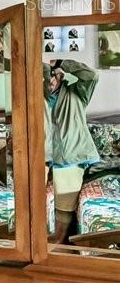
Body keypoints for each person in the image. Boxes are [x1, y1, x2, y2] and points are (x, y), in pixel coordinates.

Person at [44, 58, 99, 242]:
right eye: (44, 77)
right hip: (44, 155)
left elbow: (92, 75)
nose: (49, 81)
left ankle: (60, 237)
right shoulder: (37, 98)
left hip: (71, 154)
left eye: (52, 76)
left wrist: (62, 63)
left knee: (64, 196)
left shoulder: (77, 93)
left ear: (59, 76)